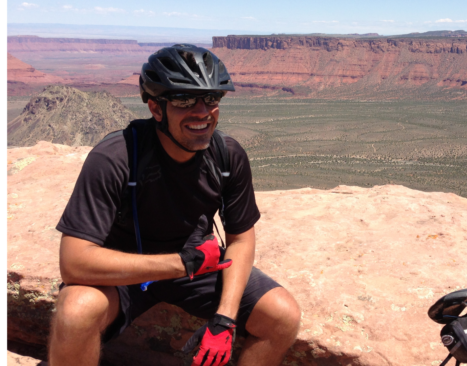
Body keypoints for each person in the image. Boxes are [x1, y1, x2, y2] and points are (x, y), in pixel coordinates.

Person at [49, 44, 301, 366]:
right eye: (183, 100)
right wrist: (181, 263)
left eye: (211, 99)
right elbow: (74, 262)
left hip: (198, 269)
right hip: (126, 270)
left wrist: (224, 319)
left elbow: (240, 238)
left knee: (282, 316)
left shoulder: (227, 156)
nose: (202, 112)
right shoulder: (115, 158)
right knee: (75, 310)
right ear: (156, 108)